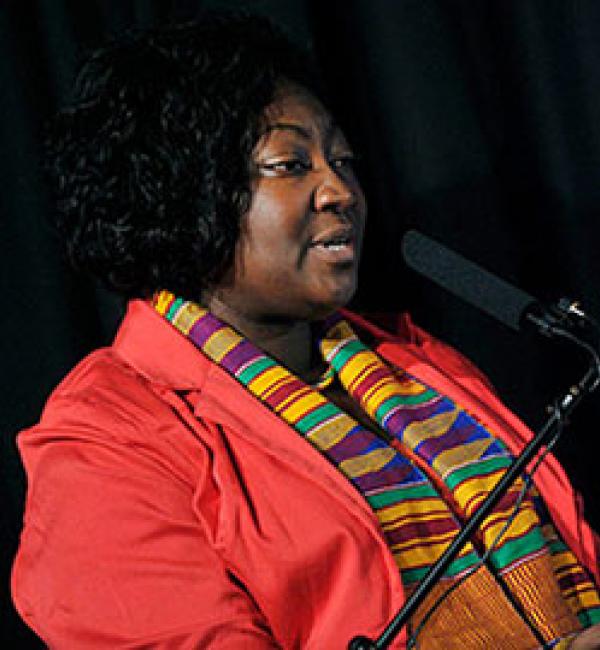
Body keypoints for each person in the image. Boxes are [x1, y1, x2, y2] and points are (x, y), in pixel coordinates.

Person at [11, 13, 600, 649]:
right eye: (291, 164)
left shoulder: (420, 365)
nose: (339, 189)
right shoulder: (106, 439)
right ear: (185, 192)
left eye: (342, 159)